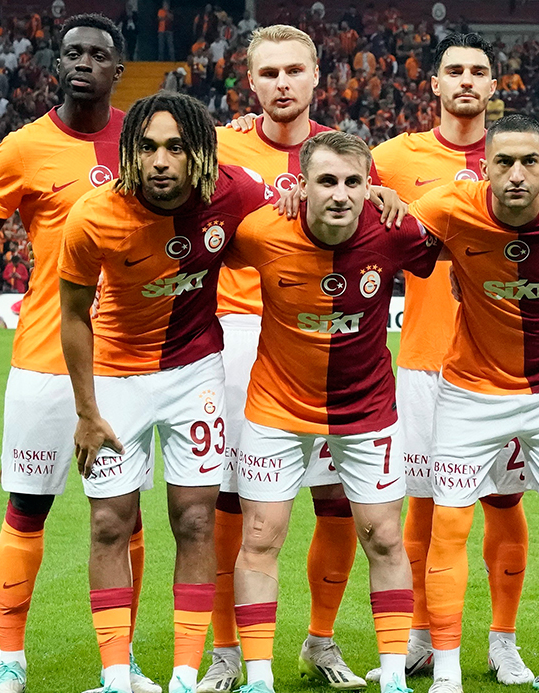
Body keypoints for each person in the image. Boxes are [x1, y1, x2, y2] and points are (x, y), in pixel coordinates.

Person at [0, 15, 162, 693]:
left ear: (118, 70)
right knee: (27, 506)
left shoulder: (144, 141)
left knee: (124, 516)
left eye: (98, 54)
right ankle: (10, 660)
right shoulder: (24, 147)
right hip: (43, 356)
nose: (84, 62)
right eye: (72, 53)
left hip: (126, 361)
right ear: (57, 66)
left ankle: (122, 661)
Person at [201, 25, 405, 692]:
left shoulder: (344, 155)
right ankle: (227, 651)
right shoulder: (221, 147)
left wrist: (388, 197)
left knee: (338, 501)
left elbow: (386, 223)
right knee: (235, 506)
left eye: (295, 70)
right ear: (250, 82)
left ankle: (321, 639)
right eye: (269, 72)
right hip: (239, 341)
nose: (283, 83)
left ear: (317, 77)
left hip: (335, 342)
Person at [58, 92, 274, 693]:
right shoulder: (94, 215)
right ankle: (115, 676)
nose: (160, 161)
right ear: (129, 152)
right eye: (148, 147)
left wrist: (380, 196)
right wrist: (86, 412)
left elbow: (301, 208)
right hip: (116, 378)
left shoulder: (234, 191)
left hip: (195, 372)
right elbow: (72, 315)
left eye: (176, 148)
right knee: (109, 523)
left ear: (200, 153)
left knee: (196, 519)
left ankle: (183, 674)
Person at [407, 114, 539, 693]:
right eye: (504, 162)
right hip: (469, 396)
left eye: (530, 162)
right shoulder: (451, 203)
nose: (517, 174)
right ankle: (446, 674)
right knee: (449, 529)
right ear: (484, 168)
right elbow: (386, 226)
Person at [225, 130, 440, 693]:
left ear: (370, 186)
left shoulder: (393, 230)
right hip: (277, 407)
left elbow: (449, 248)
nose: (340, 194)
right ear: (302, 186)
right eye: (326, 181)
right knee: (261, 536)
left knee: (384, 537)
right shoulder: (262, 230)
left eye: (352, 182)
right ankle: (258, 679)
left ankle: (392, 678)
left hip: (366, 409)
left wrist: (401, 202)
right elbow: (208, 248)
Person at [367, 32, 535, 687]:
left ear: (495, 86)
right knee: (422, 504)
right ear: (434, 84)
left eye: (478, 71)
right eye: (454, 70)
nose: (466, 80)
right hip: (423, 359)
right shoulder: (391, 158)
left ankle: (503, 640)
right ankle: (419, 635)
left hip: (504, 365)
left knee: (503, 503)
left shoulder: (521, 159)